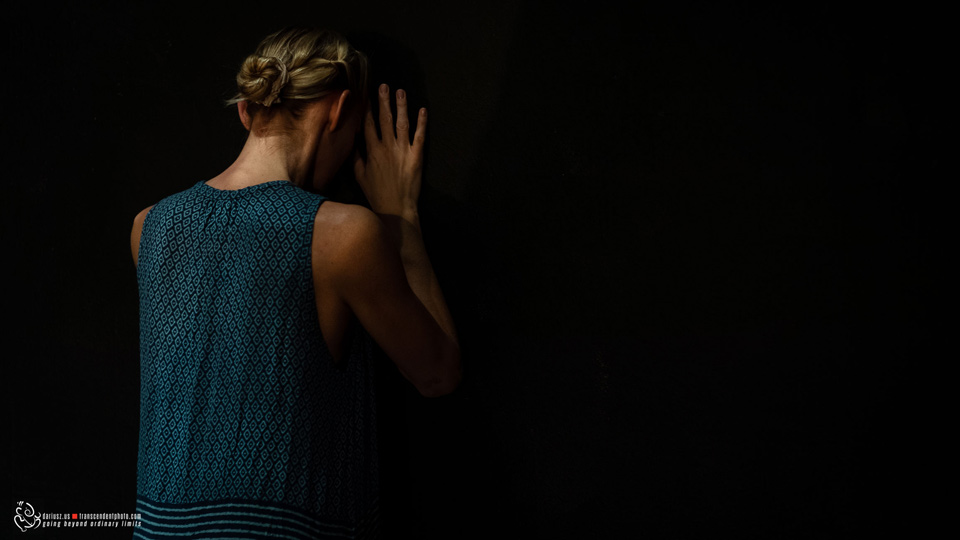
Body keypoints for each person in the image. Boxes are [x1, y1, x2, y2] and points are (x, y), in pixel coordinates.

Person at [128, 26, 460, 539]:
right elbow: (437, 374)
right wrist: (402, 219)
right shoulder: (343, 235)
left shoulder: (149, 227)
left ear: (246, 111)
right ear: (339, 110)